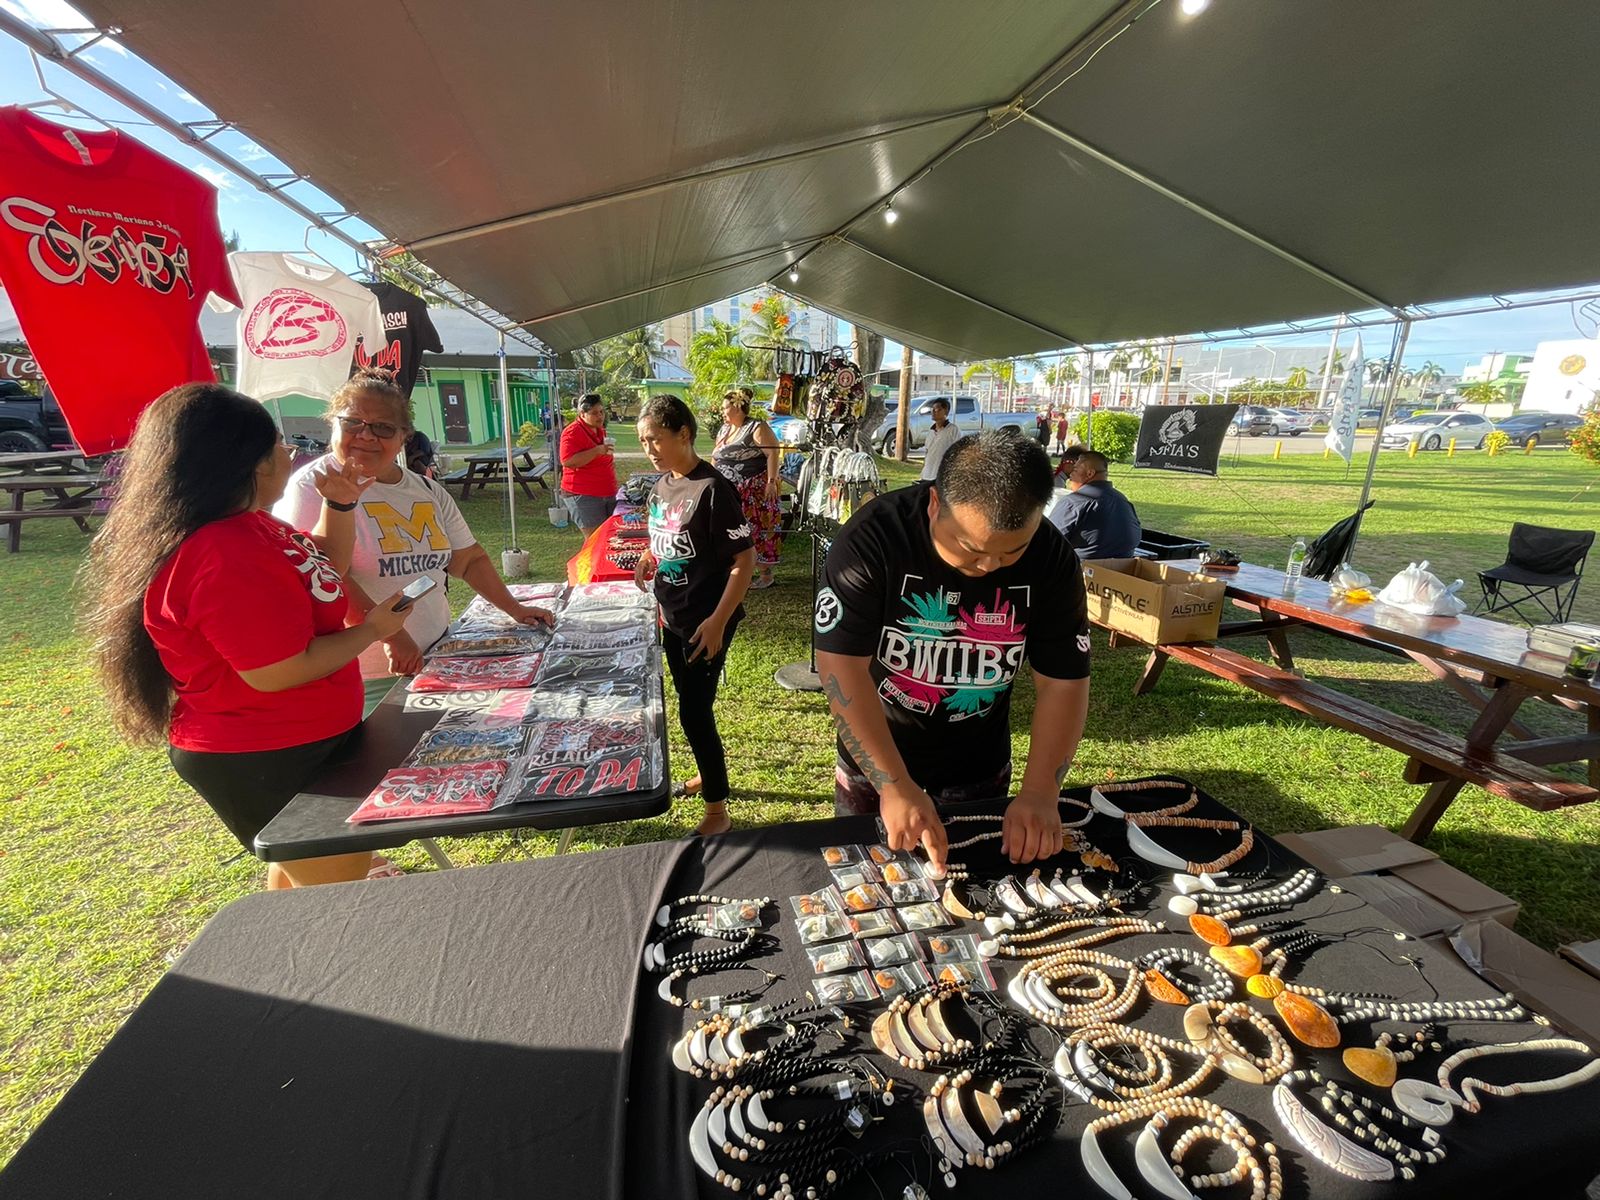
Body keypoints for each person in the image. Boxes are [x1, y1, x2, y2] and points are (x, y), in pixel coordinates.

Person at [82, 382, 416, 888]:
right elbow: (278, 671)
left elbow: (322, 568)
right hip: (266, 752)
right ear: (252, 461)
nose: (290, 453)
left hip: (295, 743)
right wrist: (372, 630)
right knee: (339, 895)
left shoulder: (251, 526)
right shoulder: (221, 553)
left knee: (300, 876)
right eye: (280, 444)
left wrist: (341, 505)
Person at [815, 430, 1091, 871]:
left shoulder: (1053, 558)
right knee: (869, 885)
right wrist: (892, 783)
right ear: (934, 504)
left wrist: (1040, 792)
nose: (988, 567)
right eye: (971, 548)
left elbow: (1063, 682)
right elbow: (840, 667)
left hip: (979, 764)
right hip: (877, 757)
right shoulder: (873, 538)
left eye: (1011, 552)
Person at [275, 368, 554, 709]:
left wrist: (515, 608)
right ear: (333, 423)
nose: (366, 436)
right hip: (370, 670)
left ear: (403, 436)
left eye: (383, 427)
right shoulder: (313, 486)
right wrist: (392, 637)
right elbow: (326, 578)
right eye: (352, 423)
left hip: (437, 653)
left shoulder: (424, 489)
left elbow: (468, 560)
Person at [634, 394, 755, 837]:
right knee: (691, 702)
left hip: (706, 621)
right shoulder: (663, 485)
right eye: (644, 440)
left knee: (693, 712)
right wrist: (650, 557)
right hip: (673, 616)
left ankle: (717, 811)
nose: (650, 448)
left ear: (684, 434)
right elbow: (665, 534)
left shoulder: (713, 490)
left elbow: (744, 562)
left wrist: (719, 620)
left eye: (656, 439)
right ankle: (709, 771)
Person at [712, 388, 782, 589]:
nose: (722, 411)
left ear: (737, 407)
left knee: (757, 529)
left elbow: (773, 454)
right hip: (729, 489)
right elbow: (716, 456)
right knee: (734, 530)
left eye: (726, 407)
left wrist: (771, 481)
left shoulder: (756, 427)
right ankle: (738, 569)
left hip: (753, 488)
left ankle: (766, 575)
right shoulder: (725, 429)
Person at [1047, 449, 1142, 560]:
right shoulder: (1123, 500)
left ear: (1090, 474)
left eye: (1075, 470)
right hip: (1122, 569)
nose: (1071, 475)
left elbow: (1048, 541)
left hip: (1082, 570)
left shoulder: (1075, 502)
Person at [560, 393, 619, 536]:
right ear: (582, 414)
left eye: (601, 412)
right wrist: (597, 451)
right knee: (594, 540)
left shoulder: (598, 429)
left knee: (608, 537)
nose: (600, 416)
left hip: (606, 491)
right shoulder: (572, 432)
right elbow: (567, 461)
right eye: (594, 413)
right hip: (583, 494)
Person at [920, 397, 960, 483]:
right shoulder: (931, 431)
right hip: (926, 475)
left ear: (945, 411)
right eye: (932, 409)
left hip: (940, 475)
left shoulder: (953, 430)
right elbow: (927, 452)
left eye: (937, 409)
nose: (934, 412)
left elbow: (957, 452)